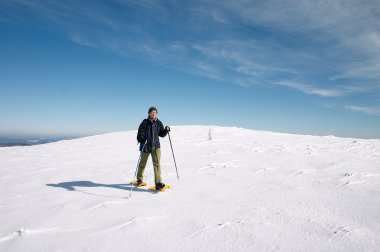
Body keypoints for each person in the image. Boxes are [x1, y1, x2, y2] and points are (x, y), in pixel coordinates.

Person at [136, 106, 170, 190]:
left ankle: (158, 183)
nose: (153, 113)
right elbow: (140, 134)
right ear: (149, 113)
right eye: (152, 112)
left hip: (156, 147)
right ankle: (139, 179)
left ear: (156, 113)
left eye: (155, 112)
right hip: (146, 146)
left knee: (157, 164)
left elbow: (161, 134)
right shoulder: (144, 122)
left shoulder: (159, 123)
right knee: (142, 163)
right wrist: (142, 139)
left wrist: (166, 130)